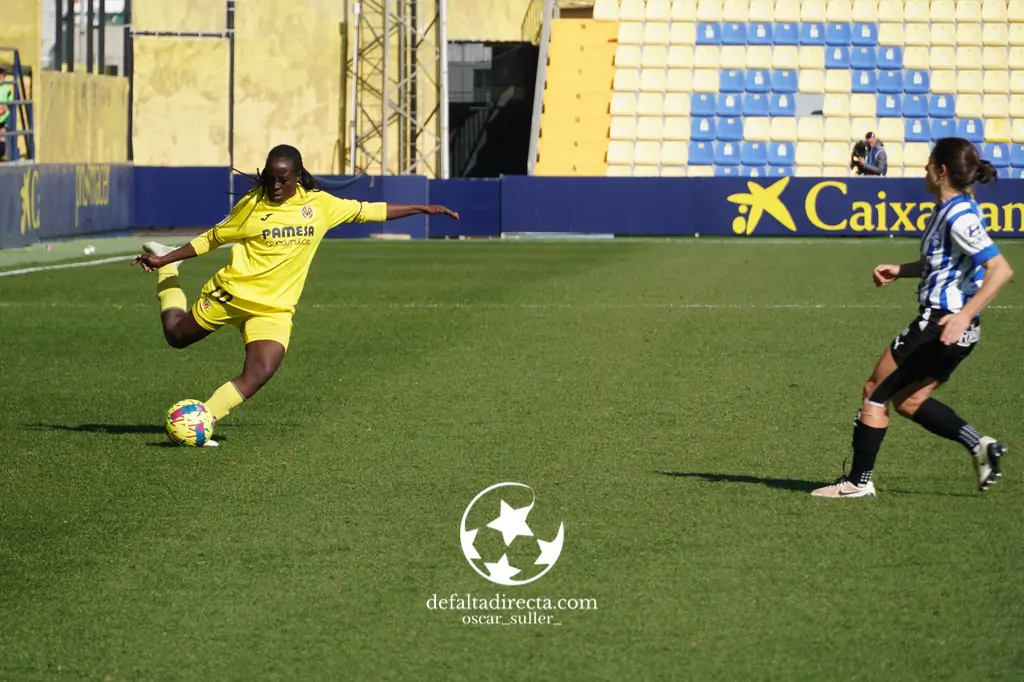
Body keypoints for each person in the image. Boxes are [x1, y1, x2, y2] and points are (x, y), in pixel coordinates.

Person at [132, 144, 459, 445]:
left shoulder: (320, 205)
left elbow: (368, 210)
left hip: (273, 310)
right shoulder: (251, 206)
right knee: (176, 336)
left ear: (298, 177)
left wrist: (422, 207)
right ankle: (168, 271)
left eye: (282, 180)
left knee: (260, 371)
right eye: (270, 179)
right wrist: (166, 259)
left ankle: (204, 419)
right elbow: (210, 239)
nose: (275, 186)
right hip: (231, 295)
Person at [812, 137, 1013, 498]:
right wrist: (901, 270)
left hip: (942, 324)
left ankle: (858, 483)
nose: (924, 169)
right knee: (909, 401)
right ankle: (980, 445)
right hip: (955, 328)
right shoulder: (952, 208)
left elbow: (1000, 269)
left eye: (929, 163)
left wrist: (964, 314)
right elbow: (942, 263)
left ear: (942, 171)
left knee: (875, 392)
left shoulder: (959, 216)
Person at [0, 65, 13, 161]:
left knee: (2, 134)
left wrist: (6, 107)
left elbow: (10, 101)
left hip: (3, 117)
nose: (1, 78)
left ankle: (1, 154)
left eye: (2, 76)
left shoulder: (6, 88)